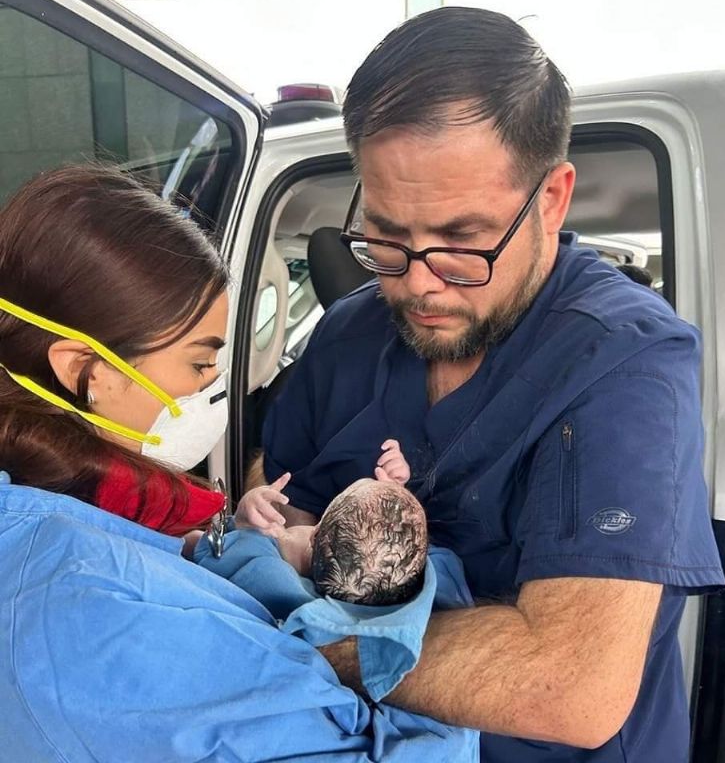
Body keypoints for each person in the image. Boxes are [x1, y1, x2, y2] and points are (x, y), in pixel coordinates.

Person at [260, 6, 725, 763]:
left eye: (462, 241)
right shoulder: (349, 331)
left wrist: (309, 640)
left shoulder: (623, 361)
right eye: (385, 236)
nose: (418, 285)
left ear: (551, 198)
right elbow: (277, 485)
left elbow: (571, 685)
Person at [0, 164, 477, 762]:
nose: (214, 389)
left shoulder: (86, 513)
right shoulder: (81, 594)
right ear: (83, 371)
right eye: (200, 365)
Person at [237, 439, 428, 605]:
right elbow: (387, 546)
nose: (379, 478)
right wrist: (397, 491)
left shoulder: (262, 564)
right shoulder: (379, 581)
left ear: (316, 532)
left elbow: (214, 551)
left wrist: (244, 517)